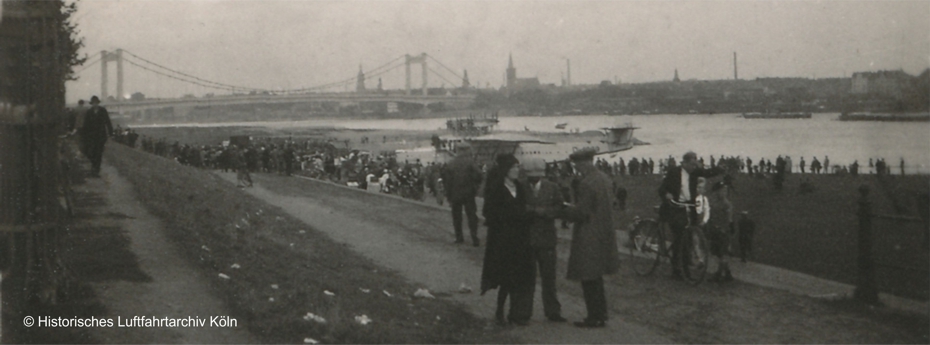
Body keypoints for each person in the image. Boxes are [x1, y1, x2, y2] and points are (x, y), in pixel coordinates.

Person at [560, 148, 618, 328]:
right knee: (597, 276)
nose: (576, 168)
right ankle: (601, 314)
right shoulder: (604, 178)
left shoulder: (586, 183)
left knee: (588, 276)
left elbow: (582, 213)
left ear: (584, 162)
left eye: (576, 164)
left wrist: (563, 209)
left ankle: (594, 316)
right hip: (604, 231)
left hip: (588, 233)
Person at [480, 154, 535, 326]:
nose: (516, 171)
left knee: (517, 276)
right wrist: (511, 216)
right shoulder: (496, 189)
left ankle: (514, 313)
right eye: (513, 168)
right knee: (505, 276)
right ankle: (500, 310)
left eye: (518, 167)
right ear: (505, 170)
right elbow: (488, 213)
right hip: (502, 239)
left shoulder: (519, 187)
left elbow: (525, 208)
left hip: (520, 239)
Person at [657, 151, 726, 280]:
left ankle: (684, 266)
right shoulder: (674, 172)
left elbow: (707, 173)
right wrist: (667, 195)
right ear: (685, 163)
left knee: (689, 237)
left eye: (696, 165)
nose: (695, 168)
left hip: (689, 207)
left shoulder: (694, 172)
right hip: (675, 207)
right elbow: (661, 189)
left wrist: (719, 169)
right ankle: (677, 269)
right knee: (680, 235)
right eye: (692, 165)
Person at [522, 157, 566, 322]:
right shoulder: (521, 187)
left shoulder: (553, 188)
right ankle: (524, 312)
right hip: (527, 240)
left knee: (549, 278)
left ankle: (553, 311)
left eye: (536, 176)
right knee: (527, 278)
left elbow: (560, 208)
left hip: (546, 239)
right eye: (530, 177)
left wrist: (542, 212)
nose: (533, 179)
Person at [442, 142, 484, 246]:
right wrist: (475, 185)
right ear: (466, 150)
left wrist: (449, 196)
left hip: (455, 195)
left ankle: (459, 238)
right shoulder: (470, 162)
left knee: (456, 217)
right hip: (468, 194)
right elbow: (480, 175)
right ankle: (474, 238)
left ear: (457, 150)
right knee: (471, 216)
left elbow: (447, 182)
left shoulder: (451, 163)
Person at [79, 96, 113, 177]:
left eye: (96, 103)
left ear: (98, 103)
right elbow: (86, 124)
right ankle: (94, 167)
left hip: (101, 135)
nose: (95, 104)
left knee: (99, 153)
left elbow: (107, 121)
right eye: (93, 103)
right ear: (92, 104)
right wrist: (84, 134)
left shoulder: (103, 111)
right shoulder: (89, 112)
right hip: (91, 135)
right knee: (91, 152)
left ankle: (96, 170)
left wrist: (111, 132)